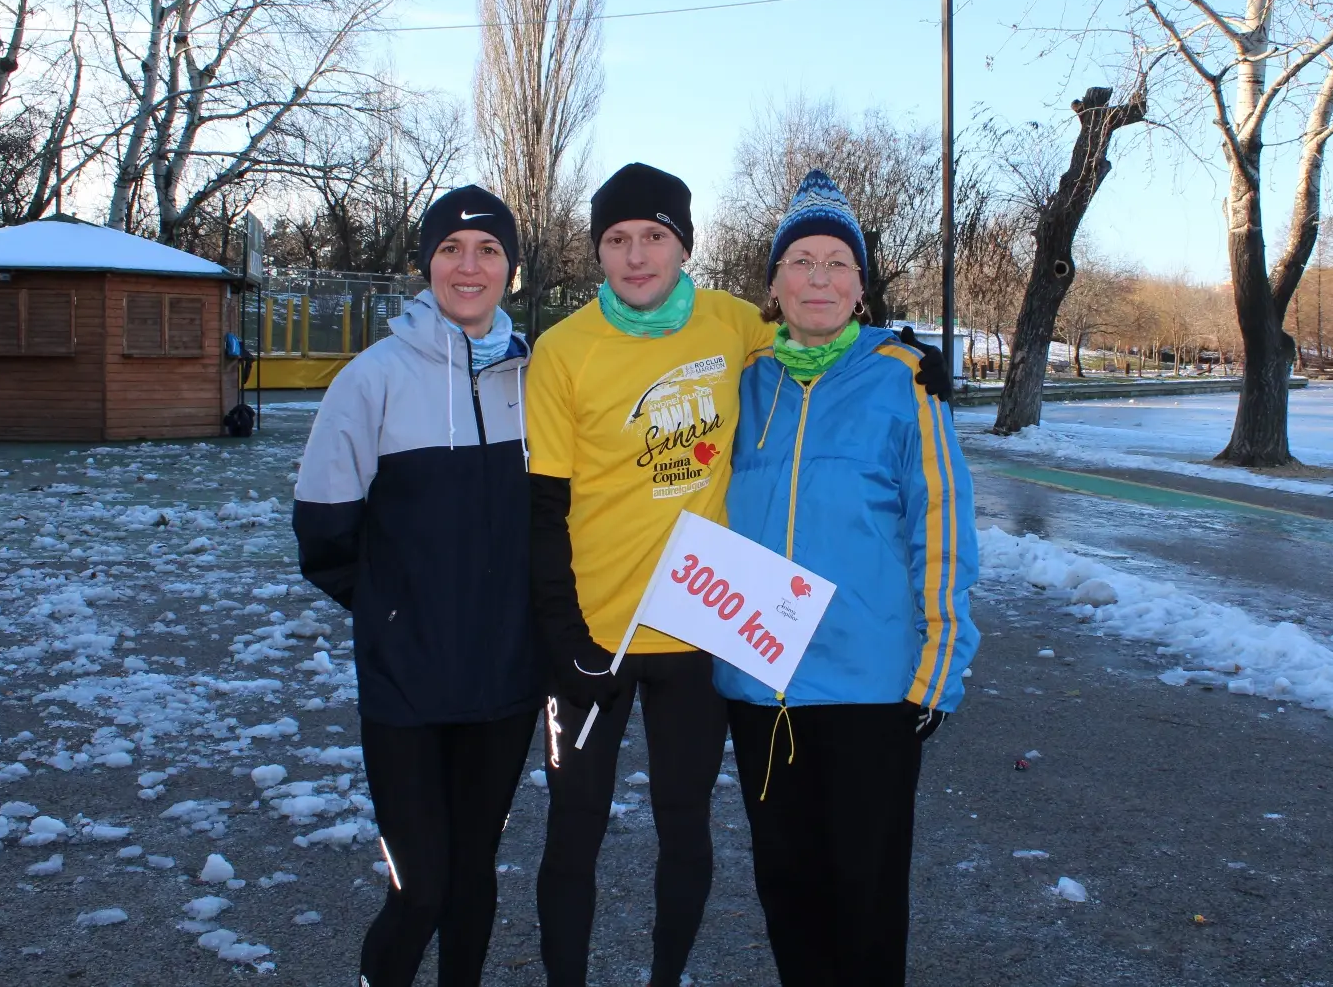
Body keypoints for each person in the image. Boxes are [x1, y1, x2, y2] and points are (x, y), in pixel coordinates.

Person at [526, 162, 957, 987]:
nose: (637, 256)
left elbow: (820, 330)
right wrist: (560, 631)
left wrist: (902, 345)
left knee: (686, 830)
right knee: (573, 831)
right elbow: (542, 508)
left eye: (655, 237)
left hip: (702, 632)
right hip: (593, 637)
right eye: (617, 239)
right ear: (597, 251)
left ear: (685, 246)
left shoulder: (731, 325)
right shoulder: (561, 349)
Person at [715, 169, 979, 987]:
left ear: (862, 286)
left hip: (871, 689)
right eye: (800, 261)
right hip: (761, 686)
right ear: (773, 285)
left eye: (838, 262)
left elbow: (942, 526)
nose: (818, 278)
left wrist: (940, 667)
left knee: (864, 900)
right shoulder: (742, 380)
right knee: (786, 892)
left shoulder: (903, 381)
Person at [292, 184, 541, 987]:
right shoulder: (372, 379)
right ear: (426, 263)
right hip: (408, 686)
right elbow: (324, 534)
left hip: (505, 682)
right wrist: (395, 613)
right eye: (450, 250)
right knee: (420, 886)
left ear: (510, 268)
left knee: (473, 876)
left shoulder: (538, 379)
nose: (469, 267)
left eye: (489, 250)